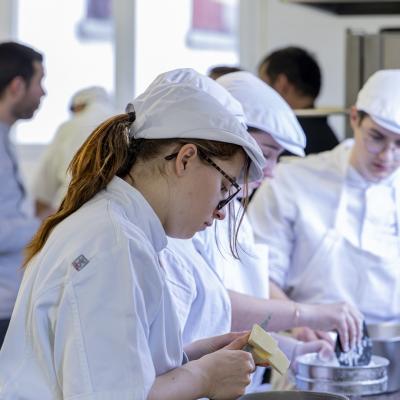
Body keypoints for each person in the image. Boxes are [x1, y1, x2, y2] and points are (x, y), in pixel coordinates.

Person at [0, 68, 268, 400]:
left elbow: (116, 367)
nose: (222, 211)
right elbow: (110, 395)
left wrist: (194, 357)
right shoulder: (112, 242)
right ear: (185, 159)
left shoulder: (117, 228)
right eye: (224, 188)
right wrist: (204, 377)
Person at [162, 72, 362, 356]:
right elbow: (209, 304)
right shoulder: (185, 213)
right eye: (266, 154)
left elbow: (236, 308)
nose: (269, 172)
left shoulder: (234, 212)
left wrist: (290, 351)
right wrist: (302, 314)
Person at [248, 70, 400, 346]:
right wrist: (297, 321)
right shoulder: (291, 181)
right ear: (354, 118)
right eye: (376, 137)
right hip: (312, 347)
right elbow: (258, 274)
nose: (387, 156)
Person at [0, 41, 45, 347]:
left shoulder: (4, 137)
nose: (43, 92)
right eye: (39, 82)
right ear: (17, 86)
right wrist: (43, 225)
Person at [32, 86, 115, 218]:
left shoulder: (69, 127)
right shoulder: (121, 123)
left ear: (79, 106)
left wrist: (42, 223)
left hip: (70, 209)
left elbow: (44, 184)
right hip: (114, 214)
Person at [258, 46, 339, 155]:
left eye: (262, 82)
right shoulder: (328, 136)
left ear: (281, 84)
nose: (258, 91)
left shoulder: (283, 141)